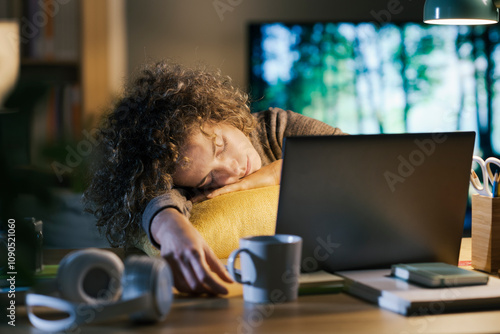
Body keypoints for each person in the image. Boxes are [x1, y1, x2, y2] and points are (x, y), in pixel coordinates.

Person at [84, 60, 345, 296]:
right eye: (209, 178)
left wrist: (278, 172)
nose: (232, 170)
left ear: (218, 114)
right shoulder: (181, 185)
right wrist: (170, 227)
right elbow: (152, 198)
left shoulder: (277, 127)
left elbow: (361, 159)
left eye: (219, 146)